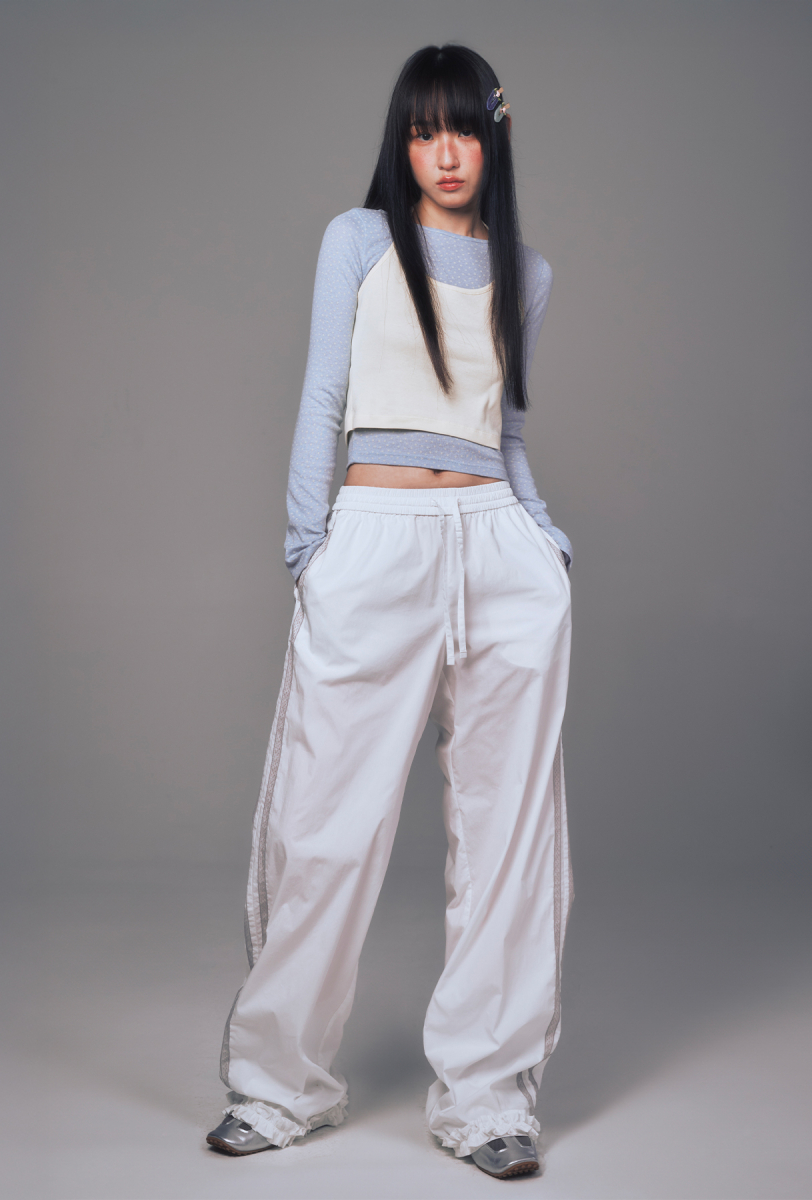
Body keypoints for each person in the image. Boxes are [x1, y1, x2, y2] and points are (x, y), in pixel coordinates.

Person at [206, 43, 573, 1181]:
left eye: (462, 128)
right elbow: (325, 392)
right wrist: (308, 548)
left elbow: (507, 431)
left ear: (494, 134)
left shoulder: (527, 272)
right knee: (326, 825)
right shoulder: (359, 242)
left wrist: (544, 540)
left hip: (499, 551)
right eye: (423, 132)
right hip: (374, 541)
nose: (445, 153)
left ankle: (489, 1099)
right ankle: (281, 1088)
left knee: (508, 836)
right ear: (401, 144)